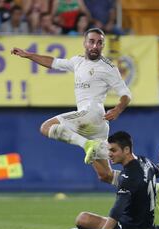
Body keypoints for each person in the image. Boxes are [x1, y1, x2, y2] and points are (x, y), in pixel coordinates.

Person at [11, 28, 132, 184]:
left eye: (100, 42)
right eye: (92, 41)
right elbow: (53, 62)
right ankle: (150, 184)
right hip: (98, 125)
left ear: (103, 45)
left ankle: (86, 144)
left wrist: (118, 109)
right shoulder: (77, 61)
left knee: (46, 127)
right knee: (105, 175)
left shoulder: (108, 68)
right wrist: (29, 55)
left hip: (92, 113)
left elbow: (126, 94)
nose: (95, 46)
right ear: (84, 43)